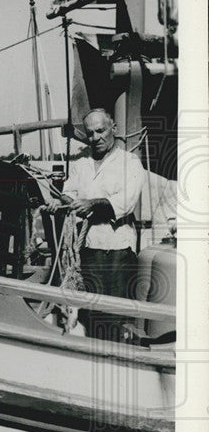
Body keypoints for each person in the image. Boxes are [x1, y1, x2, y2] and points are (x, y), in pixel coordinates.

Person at [49, 108, 146, 340]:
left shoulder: (130, 162)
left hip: (117, 249)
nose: (96, 138)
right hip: (88, 248)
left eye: (101, 131)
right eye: (91, 133)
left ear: (113, 128)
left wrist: (92, 204)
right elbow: (68, 193)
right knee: (90, 311)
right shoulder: (80, 165)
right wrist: (60, 202)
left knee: (112, 314)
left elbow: (126, 201)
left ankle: (113, 359)